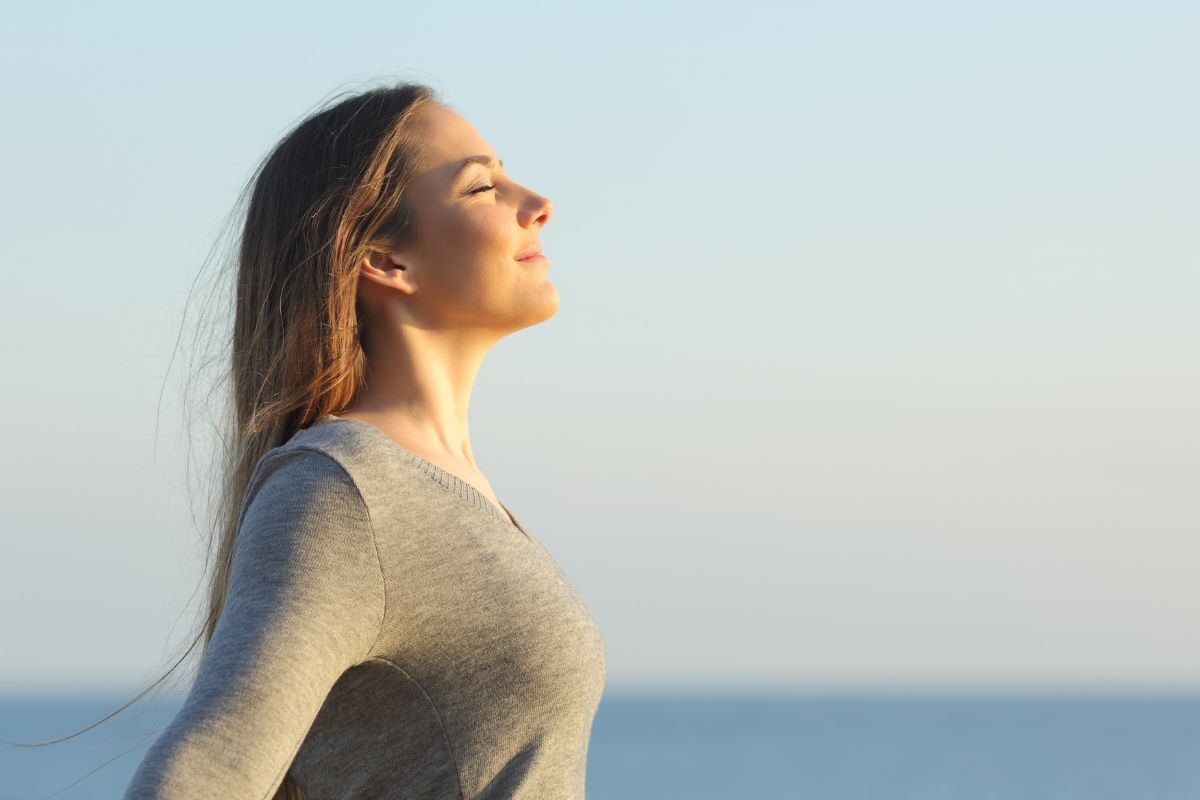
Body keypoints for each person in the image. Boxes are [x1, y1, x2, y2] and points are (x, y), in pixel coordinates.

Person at [121, 82, 607, 799]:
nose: (537, 202)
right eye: (481, 187)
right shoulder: (341, 493)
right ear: (382, 259)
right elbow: (201, 777)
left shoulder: (435, 487)